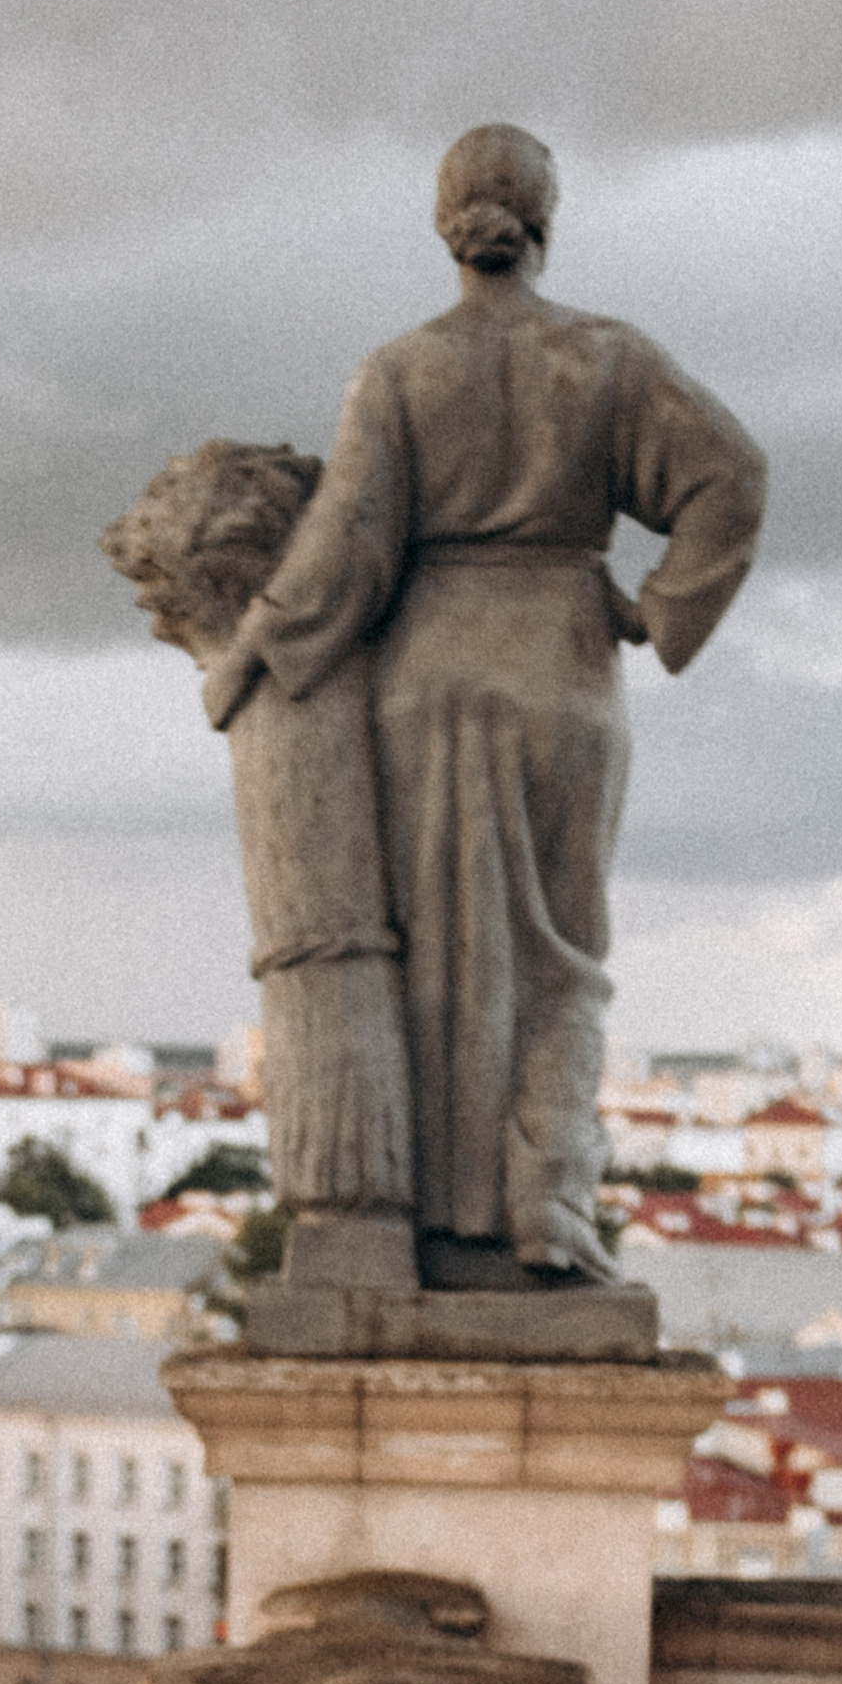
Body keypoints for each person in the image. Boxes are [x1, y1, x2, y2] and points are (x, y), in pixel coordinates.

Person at [201, 123, 765, 1286]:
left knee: (431, 965)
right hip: (561, 669)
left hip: (427, 676)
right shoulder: (608, 359)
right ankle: (547, 1209)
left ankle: (440, 1224)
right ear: (544, 220)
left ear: (445, 223)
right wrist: (658, 611)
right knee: (560, 959)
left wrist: (250, 644)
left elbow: (343, 552)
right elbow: (732, 476)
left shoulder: (402, 371)